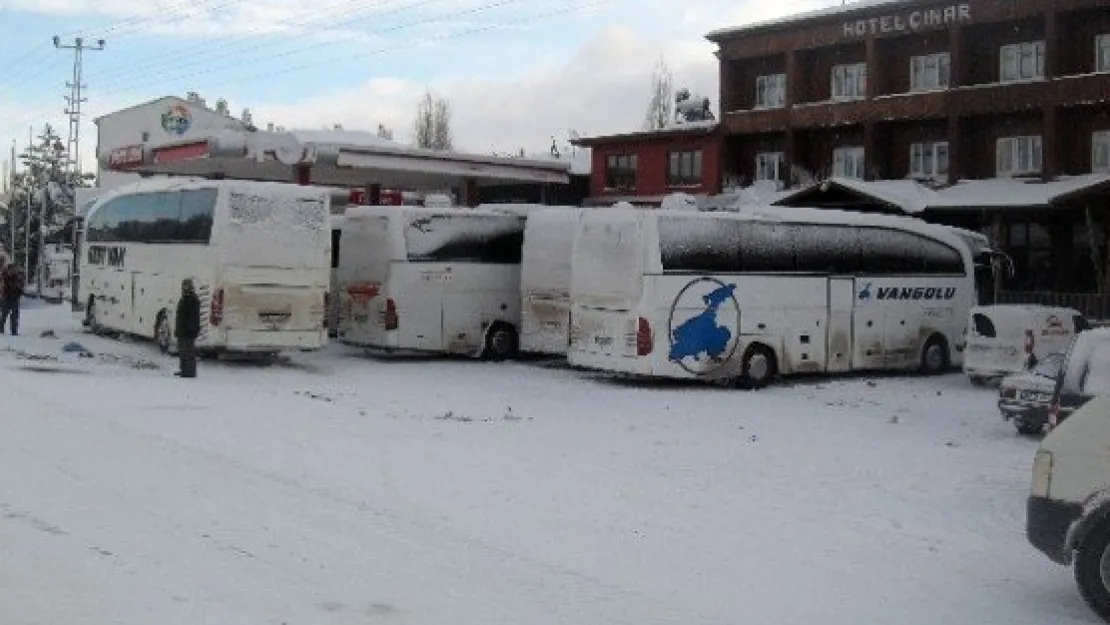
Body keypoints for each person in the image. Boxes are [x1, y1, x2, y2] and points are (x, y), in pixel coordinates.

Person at [174, 278, 201, 378]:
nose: (183, 288)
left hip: (187, 332)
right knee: (183, 351)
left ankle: (189, 371)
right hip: (183, 330)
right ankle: (184, 370)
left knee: (188, 352)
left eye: (185, 286)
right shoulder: (186, 297)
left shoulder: (192, 299)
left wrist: (190, 330)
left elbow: (192, 317)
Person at [0, 263, 25, 336]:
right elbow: (2, 287)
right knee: (4, 315)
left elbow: (20, 287)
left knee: (15, 315)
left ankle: (14, 331)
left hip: (14, 298)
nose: (13, 270)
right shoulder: (4, 277)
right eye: (11, 269)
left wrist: (20, 292)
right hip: (6, 298)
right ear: (8, 269)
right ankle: (0, 329)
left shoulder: (17, 277)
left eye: (14, 269)